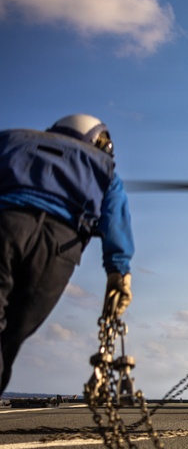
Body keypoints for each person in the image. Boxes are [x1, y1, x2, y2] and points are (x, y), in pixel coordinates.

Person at [0, 114, 134, 395]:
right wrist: (119, 272)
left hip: (6, 223)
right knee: (11, 338)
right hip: (60, 246)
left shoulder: (10, 139)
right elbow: (115, 219)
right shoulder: (105, 168)